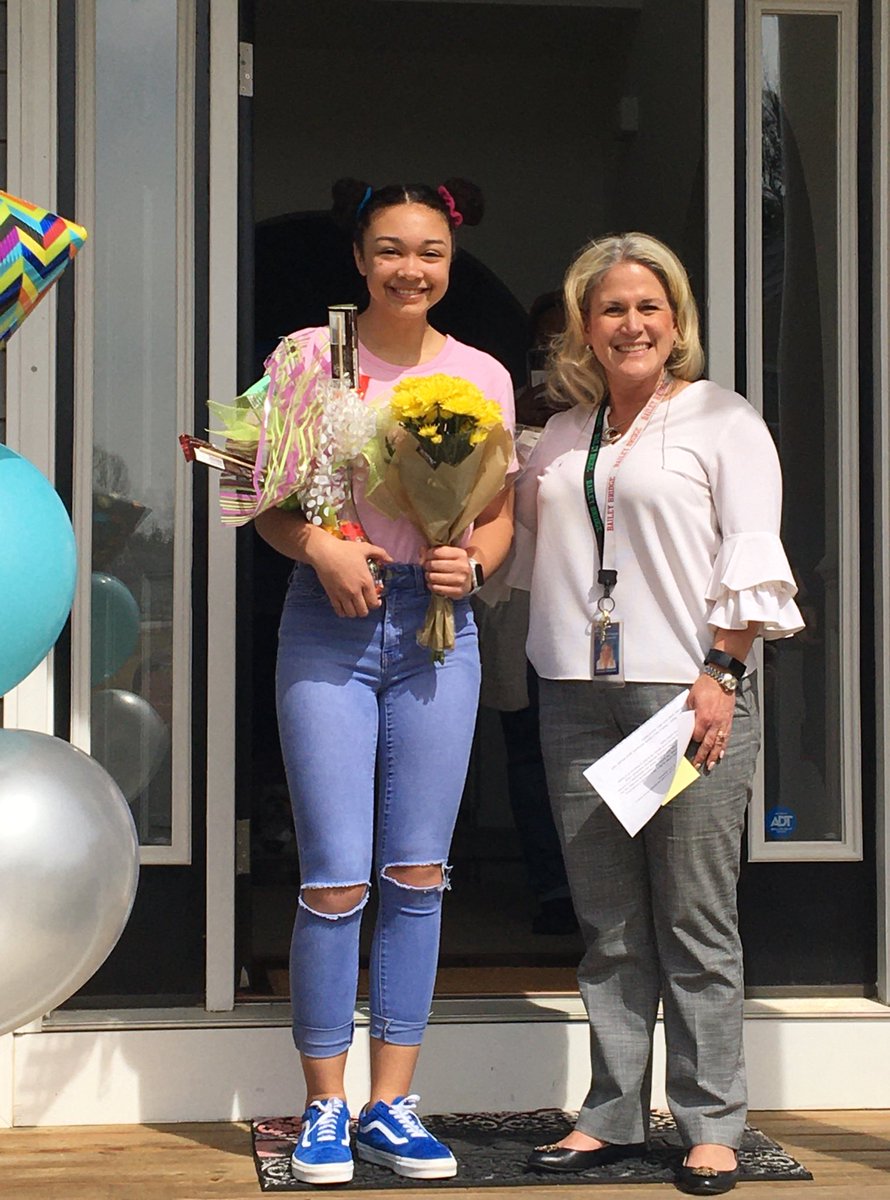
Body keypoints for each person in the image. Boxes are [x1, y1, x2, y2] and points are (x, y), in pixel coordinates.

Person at [515, 233, 803, 1196]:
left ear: (675, 320)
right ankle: (611, 1114)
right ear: (582, 325)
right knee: (609, 927)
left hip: (685, 697)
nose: (630, 324)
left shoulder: (725, 420)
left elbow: (751, 554)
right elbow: (504, 541)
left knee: (693, 918)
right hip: (575, 695)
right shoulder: (560, 434)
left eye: (649, 306)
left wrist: (722, 670)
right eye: (610, 309)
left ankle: (713, 1121)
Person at [253, 179, 515, 1187]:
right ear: (359, 259)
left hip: (436, 629)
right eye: (391, 249)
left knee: (416, 872)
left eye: (431, 252)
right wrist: (318, 543)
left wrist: (474, 563)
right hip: (331, 619)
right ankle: (323, 1104)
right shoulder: (303, 359)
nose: (412, 268)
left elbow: (496, 513)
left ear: (448, 264)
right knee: (333, 877)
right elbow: (258, 495)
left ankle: (390, 1103)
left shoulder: (482, 375)